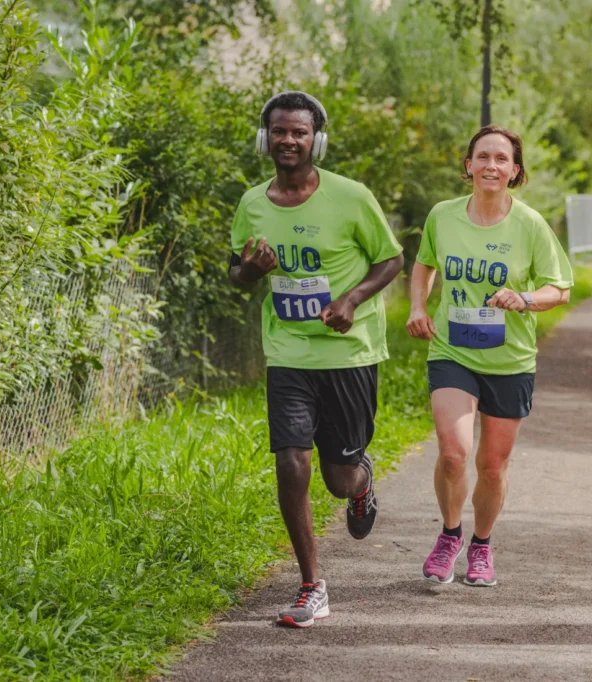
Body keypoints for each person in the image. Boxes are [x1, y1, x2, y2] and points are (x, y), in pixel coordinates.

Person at [228, 91, 404, 628]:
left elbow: (391, 258)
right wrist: (253, 272)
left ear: (316, 141)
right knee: (290, 461)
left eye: (299, 133)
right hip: (289, 351)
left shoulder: (351, 198)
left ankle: (362, 484)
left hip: (350, 354)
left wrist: (351, 300)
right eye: (279, 131)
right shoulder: (251, 203)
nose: (288, 140)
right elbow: (236, 274)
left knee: (338, 478)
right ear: (265, 137)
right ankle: (311, 585)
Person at [406, 125, 573, 587]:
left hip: (510, 359)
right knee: (455, 454)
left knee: (492, 467)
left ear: (515, 170)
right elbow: (424, 264)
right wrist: (419, 306)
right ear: (468, 165)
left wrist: (524, 298)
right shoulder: (443, 215)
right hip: (453, 352)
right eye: (483, 157)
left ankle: (481, 544)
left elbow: (559, 289)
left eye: (502, 159)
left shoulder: (530, 224)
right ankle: (449, 534)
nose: (491, 166)